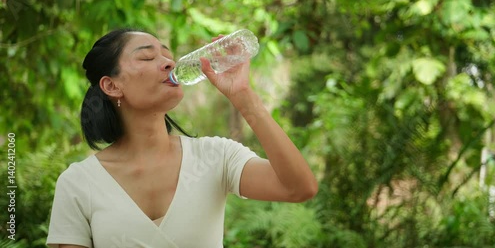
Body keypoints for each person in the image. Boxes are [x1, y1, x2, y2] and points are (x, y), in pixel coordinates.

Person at [46, 28, 318, 248]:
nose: (168, 63)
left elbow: (298, 188)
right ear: (112, 85)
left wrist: (243, 96)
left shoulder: (215, 156)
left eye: (167, 56)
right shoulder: (78, 183)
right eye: (146, 58)